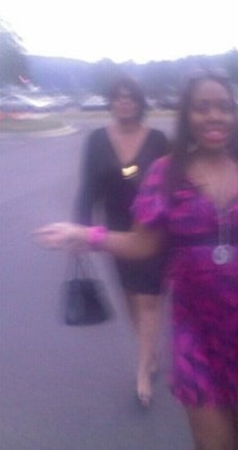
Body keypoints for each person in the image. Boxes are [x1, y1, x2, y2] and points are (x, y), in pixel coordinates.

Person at [36, 73, 238, 450]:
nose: (214, 116)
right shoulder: (166, 173)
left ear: (234, 115)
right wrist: (86, 236)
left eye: (223, 107)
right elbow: (143, 244)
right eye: (202, 107)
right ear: (186, 115)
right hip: (197, 335)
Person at [75, 76, 169, 407]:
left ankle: (143, 371)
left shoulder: (158, 140)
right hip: (116, 232)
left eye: (130, 97)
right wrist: (80, 229)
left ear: (139, 102)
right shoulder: (97, 140)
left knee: (149, 300)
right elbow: (88, 187)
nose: (124, 101)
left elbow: (174, 183)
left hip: (154, 230)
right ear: (111, 102)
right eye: (118, 97)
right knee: (131, 297)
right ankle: (149, 352)